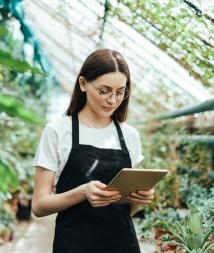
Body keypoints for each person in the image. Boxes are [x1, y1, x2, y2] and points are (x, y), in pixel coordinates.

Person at [32, 49, 155, 253]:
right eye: (104, 90)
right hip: (74, 245)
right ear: (83, 84)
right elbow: (39, 205)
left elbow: (128, 211)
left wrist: (139, 199)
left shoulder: (130, 135)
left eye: (120, 92)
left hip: (122, 245)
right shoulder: (57, 131)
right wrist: (82, 192)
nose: (112, 100)